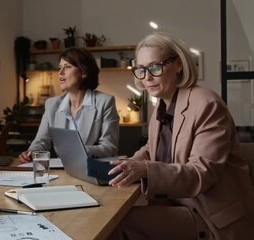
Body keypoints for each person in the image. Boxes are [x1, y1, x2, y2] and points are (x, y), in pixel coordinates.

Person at [109, 32, 254, 239]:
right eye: (140, 69)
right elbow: (152, 148)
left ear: (178, 64)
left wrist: (145, 169)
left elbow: (201, 173)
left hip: (210, 216)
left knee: (120, 222)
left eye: (155, 67)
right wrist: (128, 164)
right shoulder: (162, 104)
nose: (147, 77)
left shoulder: (206, 104)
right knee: (116, 215)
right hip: (177, 204)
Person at [19, 47, 119, 162]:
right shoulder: (51, 104)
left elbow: (110, 148)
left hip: (90, 170)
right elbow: (41, 142)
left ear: (84, 72)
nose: (60, 72)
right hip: (61, 171)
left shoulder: (105, 102)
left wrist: (79, 151)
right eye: (60, 67)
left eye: (67, 67)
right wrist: (31, 152)